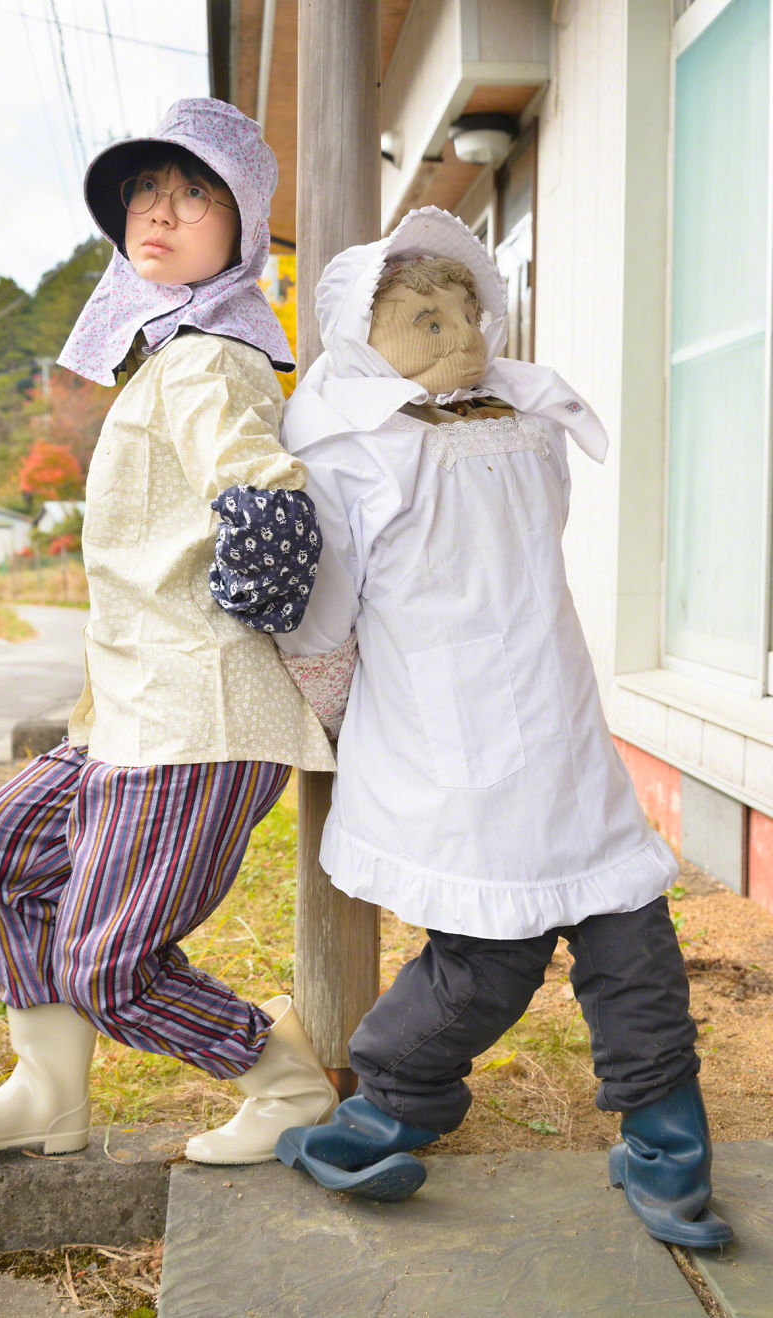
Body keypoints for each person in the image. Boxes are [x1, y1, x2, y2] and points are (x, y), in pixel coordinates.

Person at [270, 206, 732, 1249]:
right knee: (491, 952)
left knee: (628, 932)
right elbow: (321, 609)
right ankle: (390, 1107)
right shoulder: (352, 450)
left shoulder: (524, 422)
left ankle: (663, 1142)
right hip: (448, 733)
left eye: (467, 315)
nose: (463, 336)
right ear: (360, 342)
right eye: (423, 321)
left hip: (554, 718)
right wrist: (339, 711)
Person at [0, 98, 338, 1166]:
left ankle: (285, 1080)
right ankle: (48, 1091)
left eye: (194, 193)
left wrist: (237, 633)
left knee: (113, 963)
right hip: (129, 706)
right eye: (145, 191)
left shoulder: (209, 360)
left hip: (196, 709)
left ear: (241, 226)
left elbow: (270, 497)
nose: (160, 211)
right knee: (2, 845)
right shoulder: (167, 351)